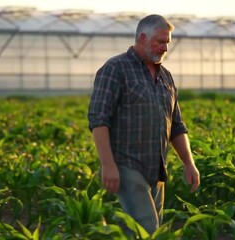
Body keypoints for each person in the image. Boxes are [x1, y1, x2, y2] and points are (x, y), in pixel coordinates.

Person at [87, 14, 200, 235]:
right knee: (146, 229)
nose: (165, 48)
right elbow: (99, 119)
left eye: (168, 42)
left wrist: (189, 163)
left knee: (149, 231)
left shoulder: (166, 77)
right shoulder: (115, 69)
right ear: (142, 38)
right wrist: (108, 165)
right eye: (160, 42)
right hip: (126, 165)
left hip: (156, 171)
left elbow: (176, 125)